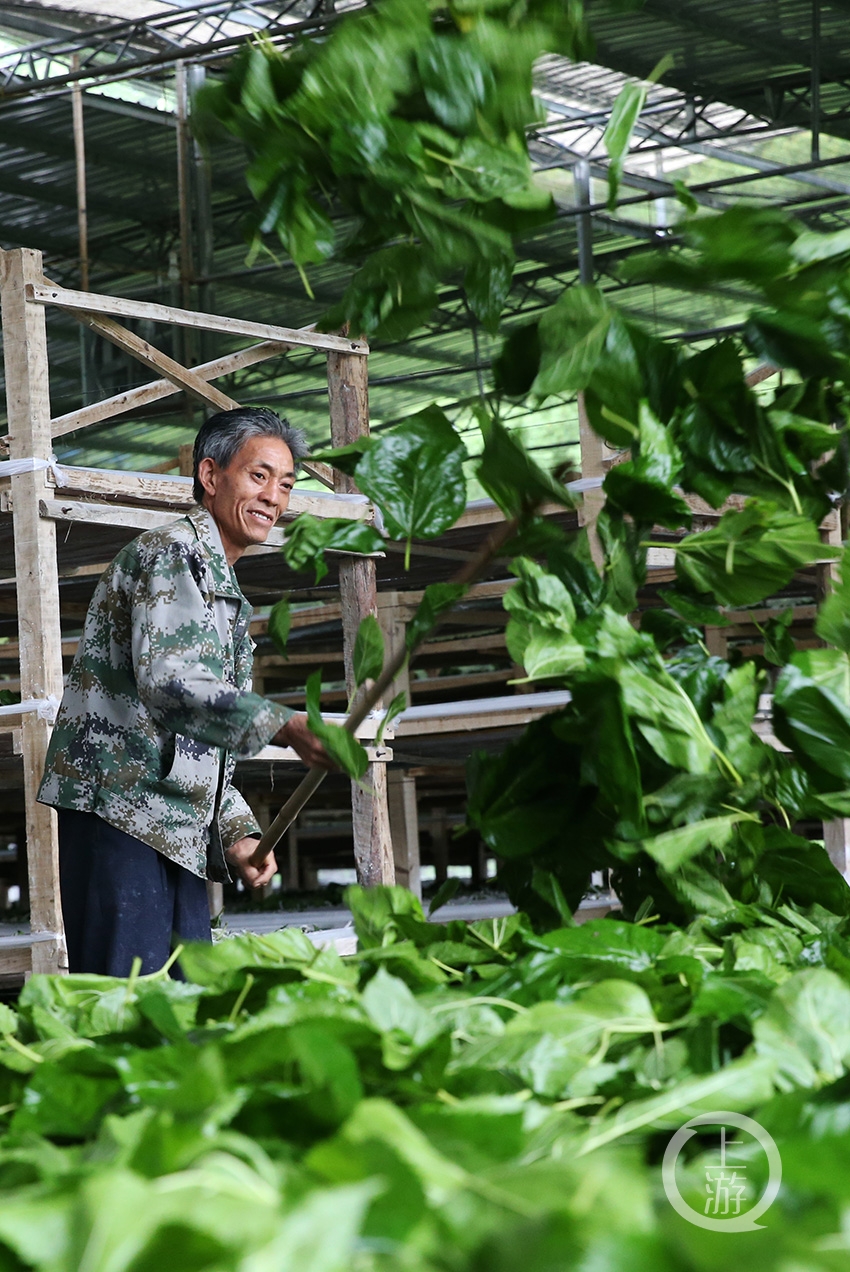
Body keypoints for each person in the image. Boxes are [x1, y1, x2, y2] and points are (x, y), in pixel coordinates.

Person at [38, 406, 333, 976]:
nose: (275, 496)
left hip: (176, 828)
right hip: (120, 814)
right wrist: (285, 724)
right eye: (259, 475)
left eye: (287, 484)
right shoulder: (172, 553)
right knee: (127, 1013)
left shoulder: (221, 589)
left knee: (183, 1008)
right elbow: (173, 685)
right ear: (210, 475)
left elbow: (199, 736)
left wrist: (237, 832)